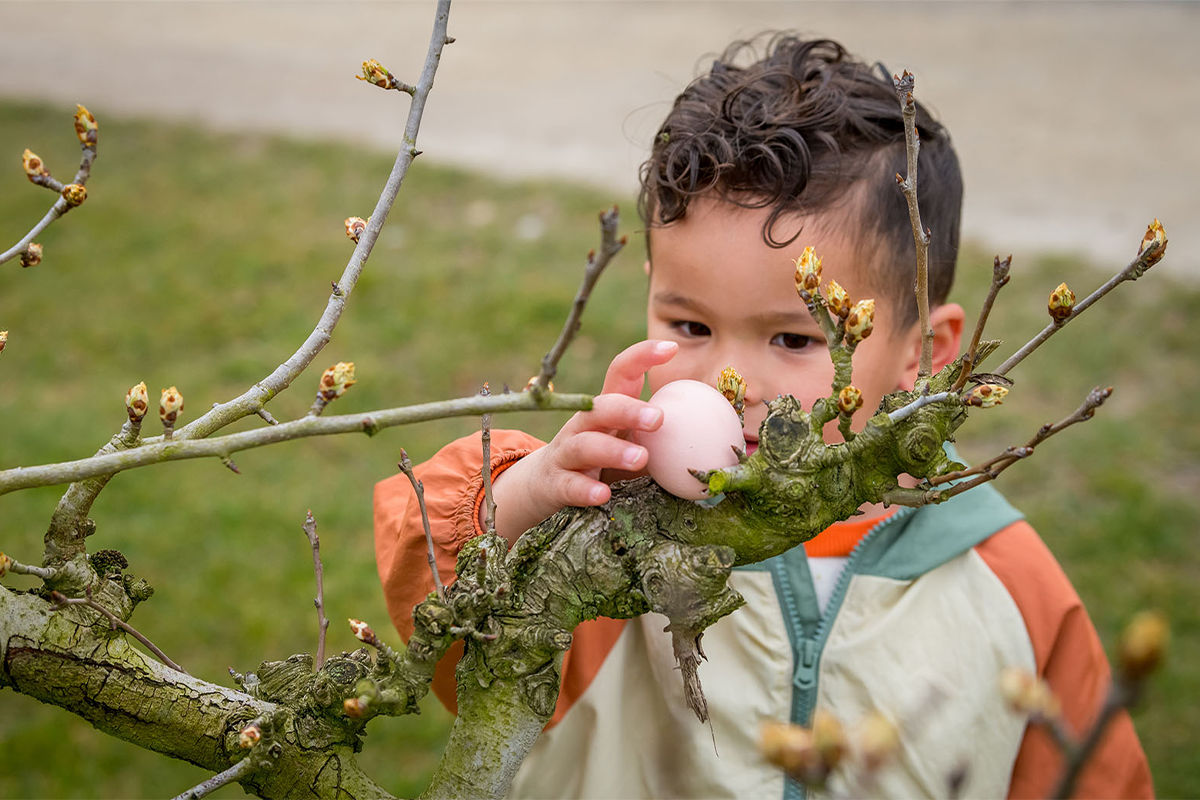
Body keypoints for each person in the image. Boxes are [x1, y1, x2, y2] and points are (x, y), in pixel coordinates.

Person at [374, 35, 1152, 799]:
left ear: (926, 350)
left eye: (793, 337)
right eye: (689, 326)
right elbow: (447, 629)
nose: (726, 379)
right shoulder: (613, 534)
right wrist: (532, 496)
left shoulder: (1008, 586)